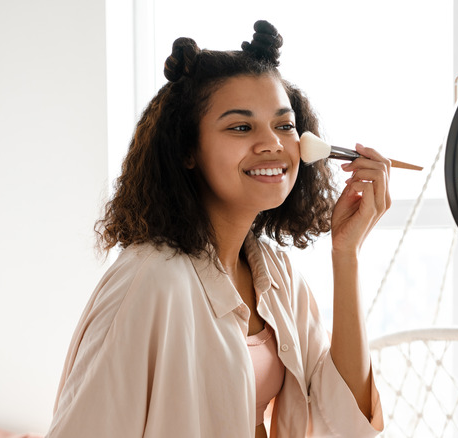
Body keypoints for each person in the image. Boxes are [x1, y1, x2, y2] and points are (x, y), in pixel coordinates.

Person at [45, 20, 387, 438]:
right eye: (241, 127)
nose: (273, 143)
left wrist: (345, 255)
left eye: (284, 125)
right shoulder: (151, 280)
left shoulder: (276, 276)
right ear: (188, 150)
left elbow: (345, 419)